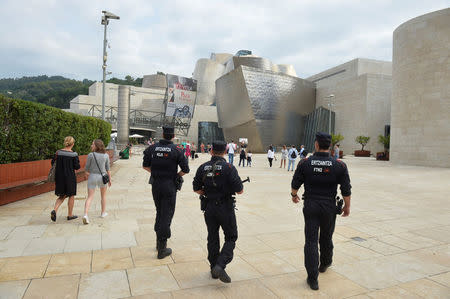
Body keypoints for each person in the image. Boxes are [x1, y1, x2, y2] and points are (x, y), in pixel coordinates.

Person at [290, 132, 352, 291]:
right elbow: (346, 189)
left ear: (316, 144)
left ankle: (312, 278)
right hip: (329, 206)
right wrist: (347, 206)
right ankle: (324, 263)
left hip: (311, 205)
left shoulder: (305, 163)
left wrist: (294, 195)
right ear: (329, 146)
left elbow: (295, 183)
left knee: (310, 241)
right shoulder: (339, 165)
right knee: (326, 236)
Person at [193, 141, 244, 283]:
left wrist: (209, 193)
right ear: (225, 152)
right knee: (231, 237)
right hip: (225, 207)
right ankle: (220, 265)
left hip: (209, 207)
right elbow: (240, 190)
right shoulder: (229, 167)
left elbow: (196, 188)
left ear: (211, 151)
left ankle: (213, 267)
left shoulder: (202, 167)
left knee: (212, 237)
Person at [143, 126, 190, 259]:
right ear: (173, 136)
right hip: (169, 185)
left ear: (163, 134)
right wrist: (176, 176)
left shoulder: (152, 148)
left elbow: (145, 166)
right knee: (167, 214)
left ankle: (158, 242)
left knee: (159, 211)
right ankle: (162, 249)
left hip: (156, 184)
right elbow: (186, 169)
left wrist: (156, 173)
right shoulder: (177, 150)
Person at [50, 136, 80, 222]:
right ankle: (70, 215)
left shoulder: (58, 152)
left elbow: (52, 163)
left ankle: (54, 210)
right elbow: (77, 167)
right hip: (70, 177)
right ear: (73, 144)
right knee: (71, 195)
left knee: (62, 195)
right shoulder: (74, 154)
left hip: (59, 177)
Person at [82, 139, 111, 224]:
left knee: (90, 197)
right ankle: (103, 213)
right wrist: (110, 179)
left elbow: (86, 168)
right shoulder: (106, 155)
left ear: (96, 146)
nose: (91, 146)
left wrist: (86, 175)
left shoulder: (91, 155)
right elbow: (108, 169)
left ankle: (85, 215)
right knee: (103, 196)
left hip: (92, 177)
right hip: (102, 177)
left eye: (92, 144)